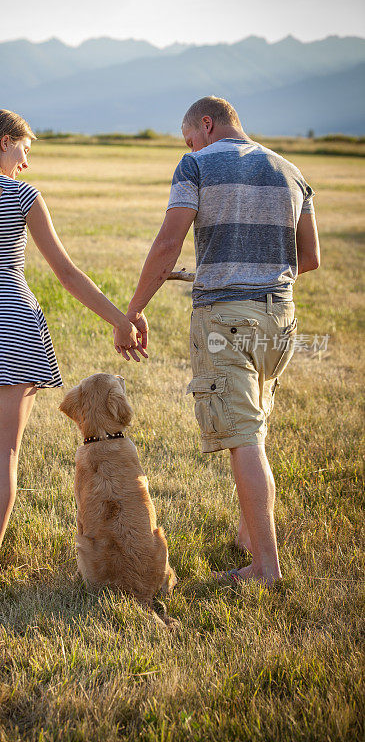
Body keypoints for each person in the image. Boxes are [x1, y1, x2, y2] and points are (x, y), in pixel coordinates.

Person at [0, 109, 146, 580]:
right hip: (11, 329)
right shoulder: (21, 196)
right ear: (2, 142)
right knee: (5, 452)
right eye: (25, 149)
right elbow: (66, 272)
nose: (27, 161)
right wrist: (120, 321)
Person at [116, 96, 320, 585]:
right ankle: (252, 536)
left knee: (243, 438)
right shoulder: (291, 171)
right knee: (255, 430)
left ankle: (265, 569)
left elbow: (168, 243)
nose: (189, 146)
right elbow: (308, 258)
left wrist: (134, 310)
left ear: (205, 125)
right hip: (280, 320)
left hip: (226, 322)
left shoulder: (197, 165)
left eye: (190, 137)